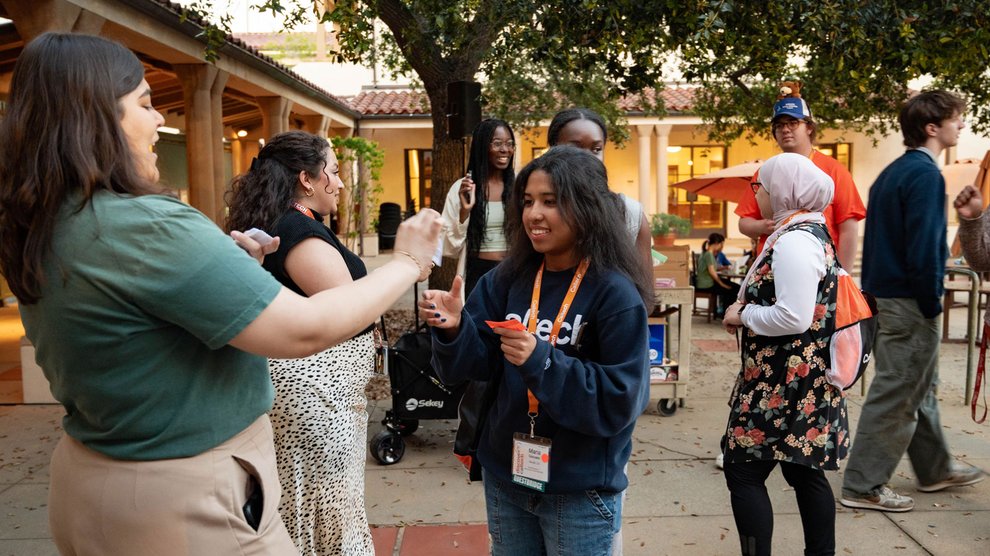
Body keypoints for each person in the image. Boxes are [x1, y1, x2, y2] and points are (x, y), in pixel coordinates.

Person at [0, 33, 441, 554]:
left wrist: (232, 274)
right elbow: (307, 327)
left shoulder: (49, 223)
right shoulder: (145, 225)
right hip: (184, 497)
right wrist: (409, 261)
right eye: (144, 103)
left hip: (92, 476)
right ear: (94, 115)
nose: (159, 121)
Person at [420, 146, 652, 555]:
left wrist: (540, 358)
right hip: (506, 477)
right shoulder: (507, 279)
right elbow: (472, 366)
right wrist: (455, 329)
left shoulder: (616, 295)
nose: (534, 215)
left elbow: (620, 399)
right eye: (527, 201)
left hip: (578, 489)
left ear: (587, 207)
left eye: (550, 201)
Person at [224, 131, 375, 555]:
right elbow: (348, 311)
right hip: (317, 398)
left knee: (305, 503)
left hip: (313, 393)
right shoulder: (298, 231)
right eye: (336, 171)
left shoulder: (285, 222)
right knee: (322, 510)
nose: (341, 183)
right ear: (307, 178)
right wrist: (403, 266)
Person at [840, 90, 985, 512]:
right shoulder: (925, 175)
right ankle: (863, 485)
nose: (962, 125)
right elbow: (923, 247)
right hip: (909, 298)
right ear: (932, 127)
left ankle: (935, 468)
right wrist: (931, 301)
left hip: (889, 296)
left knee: (917, 387)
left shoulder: (891, 173)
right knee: (899, 392)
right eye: (957, 119)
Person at [720, 153, 849, 556]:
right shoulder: (803, 231)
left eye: (759, 187)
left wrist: (744, 313)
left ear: (783, 190)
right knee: (802, 471)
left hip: (784, 382)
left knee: (742, 470)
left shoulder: (794, 240)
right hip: (800, 378)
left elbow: (793, 316)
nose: (756, 194)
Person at [735, 85, 866, 271]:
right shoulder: (764, 172)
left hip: (821, 268)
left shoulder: (834, 170)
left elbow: (849, 228)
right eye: (779, 125)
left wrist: (842, 276)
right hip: (772, 269)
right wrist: (762, 226)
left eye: (793, 122)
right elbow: (744, 222)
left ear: (809, 128)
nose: (785, 129)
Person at [546, 108, 652, 266]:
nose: (587, 157)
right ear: (553, 149)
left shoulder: (630, 214)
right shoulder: (535, 212)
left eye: (596, 149)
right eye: (575, 148)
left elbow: (645, 288)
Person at [442, 118, 516, 295]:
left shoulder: (520, 187)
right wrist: (464, 212)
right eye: (497, 143)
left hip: (515, 273)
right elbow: (448, 247)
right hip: (478, 275)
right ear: (483, 147)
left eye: (509, 143)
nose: (505, 149)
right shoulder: (463, 188)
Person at [695, 232, 740, 318]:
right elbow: (712, 272)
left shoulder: (705, 253)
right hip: (707, 285)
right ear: (716, 244)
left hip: (704, 283)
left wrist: (724, 268)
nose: (722, 247)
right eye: (721, 244)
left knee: (734, 287)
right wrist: (722, 284)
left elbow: (711, 268)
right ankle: (727, 315)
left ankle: (725, 313)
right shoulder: (709, 254)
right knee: (733, 289)